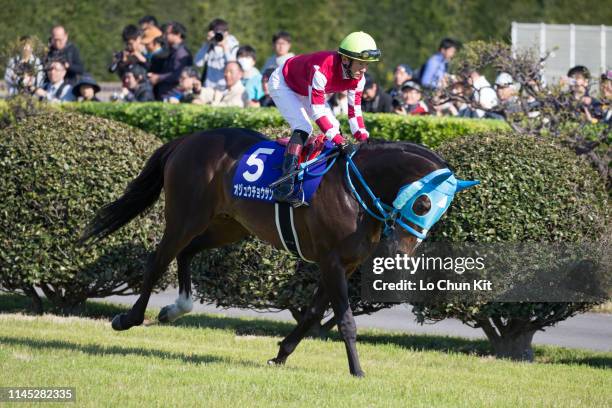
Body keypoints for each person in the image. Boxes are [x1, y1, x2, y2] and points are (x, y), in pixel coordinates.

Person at [268, 31, 380, 203]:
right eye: (360, 63)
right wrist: (340, 141)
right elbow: (318, 113)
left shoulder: (359, 78)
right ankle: (285, 184)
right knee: (304, 126)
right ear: (345, 60)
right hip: (283, 83)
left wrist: (364, 138)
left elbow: (354, 112)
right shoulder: (322, 69)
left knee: (334, 126)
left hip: (305, 87)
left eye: (367, 64)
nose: (364, 69)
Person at [148, 22, 193, 100]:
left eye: (167, 33)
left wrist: (158, 77)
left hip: (174, 96)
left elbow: (177, 75)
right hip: (166, 95)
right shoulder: (172, 51)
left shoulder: (181, 53)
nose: (164, 36)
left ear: (178, 34)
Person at [194, 18, 239, 90]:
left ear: (226, 33)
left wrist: (224, 47)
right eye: (215, 33)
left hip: (225, 89)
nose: (217, 36)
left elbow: (232, 66)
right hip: (208, 88)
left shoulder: (233, 46)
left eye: (219, 32)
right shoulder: (210, 46)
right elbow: (198, 63)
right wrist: (207, 44)